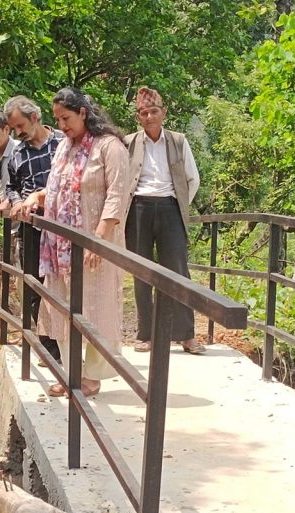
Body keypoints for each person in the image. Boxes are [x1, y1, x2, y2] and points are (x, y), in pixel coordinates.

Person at [16, 88, 132, 397]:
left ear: (83, 113)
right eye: (57, 119)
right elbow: (54, 189)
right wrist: (34, 197)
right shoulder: (64, 148)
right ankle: (70, 373)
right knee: (61, 307)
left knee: (94, 308)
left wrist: (98, 241)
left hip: (94, 246)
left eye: (66, 118)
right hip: (58, 246)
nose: (62, 125)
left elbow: (117, 197)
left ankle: (91, 377)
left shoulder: (110, 147)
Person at [124, 87, 206, 355]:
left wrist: (180, 204)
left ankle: (186, 335)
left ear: (164, 113)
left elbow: (192, 179)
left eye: (153, 112)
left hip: (170, 208)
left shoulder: (178, 141)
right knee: (141, 271)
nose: (149, 117)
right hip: (138, 208)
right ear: (138, 117)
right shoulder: (130, 143)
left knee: (178, 271)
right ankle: (145, 334)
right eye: (144, 113)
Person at [0, 95, 65, 362]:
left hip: (62, 227)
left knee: (63, 286)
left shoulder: (62, 142)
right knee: (34, 286)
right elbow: (11, 188)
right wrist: (18, 203)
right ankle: (50, 348)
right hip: (32, 228)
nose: (17, 133)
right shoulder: (16, 152)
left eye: (19, 126)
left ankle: (68, 342)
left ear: (35, 118)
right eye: (13, 129)